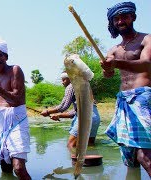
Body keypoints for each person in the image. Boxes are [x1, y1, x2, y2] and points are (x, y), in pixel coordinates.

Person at [100, 1, 151, 176]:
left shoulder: (146, 39)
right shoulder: (113, 49)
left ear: (133, 17)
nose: (120, 21)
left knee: (145, 155)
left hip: (143, 99)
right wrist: (107, 69)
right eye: (116, 19)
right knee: (129, 158)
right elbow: (108, 74)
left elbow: (147, 65)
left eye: (124, 17)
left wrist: (116, 63)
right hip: (123, 102)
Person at [0, 39, 31, 179]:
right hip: (1, 124)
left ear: (6, 56)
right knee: (6, 168)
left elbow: (17, 99)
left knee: (19, 168)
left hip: (17, 121)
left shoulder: (15, 70)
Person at [40, 72, 101, 149]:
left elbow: (63, 106)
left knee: (71, 145)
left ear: (69, 78)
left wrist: (48, 111)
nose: (62, 82)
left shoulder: (71, 86)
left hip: (84, 118)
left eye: (64, 80)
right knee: (89, 145)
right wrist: (58, 115)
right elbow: (74, 113)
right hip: (95, 117)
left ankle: (75, 161)